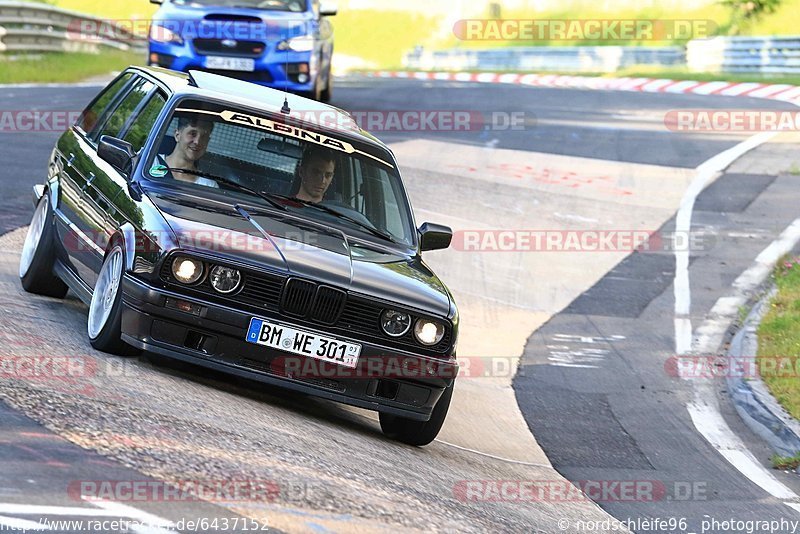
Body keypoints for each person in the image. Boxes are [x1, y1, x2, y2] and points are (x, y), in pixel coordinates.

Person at [152, 115, 219, 188]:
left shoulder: (209, 185)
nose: (197, 142)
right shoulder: (149, 162)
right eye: (193, 134)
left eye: (203, 137)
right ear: (177, 135)